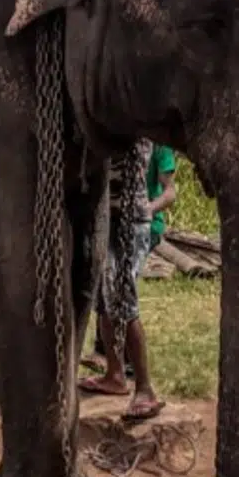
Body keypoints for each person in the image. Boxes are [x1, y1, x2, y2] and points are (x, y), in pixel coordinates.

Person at [79, 141, 178, 421]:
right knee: (104, 298)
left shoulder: (141, 135)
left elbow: (169, 190)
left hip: (131, 221)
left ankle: (145, 389)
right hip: (105, 217)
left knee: (123, 298)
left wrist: (148, 208)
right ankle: (115, 375)